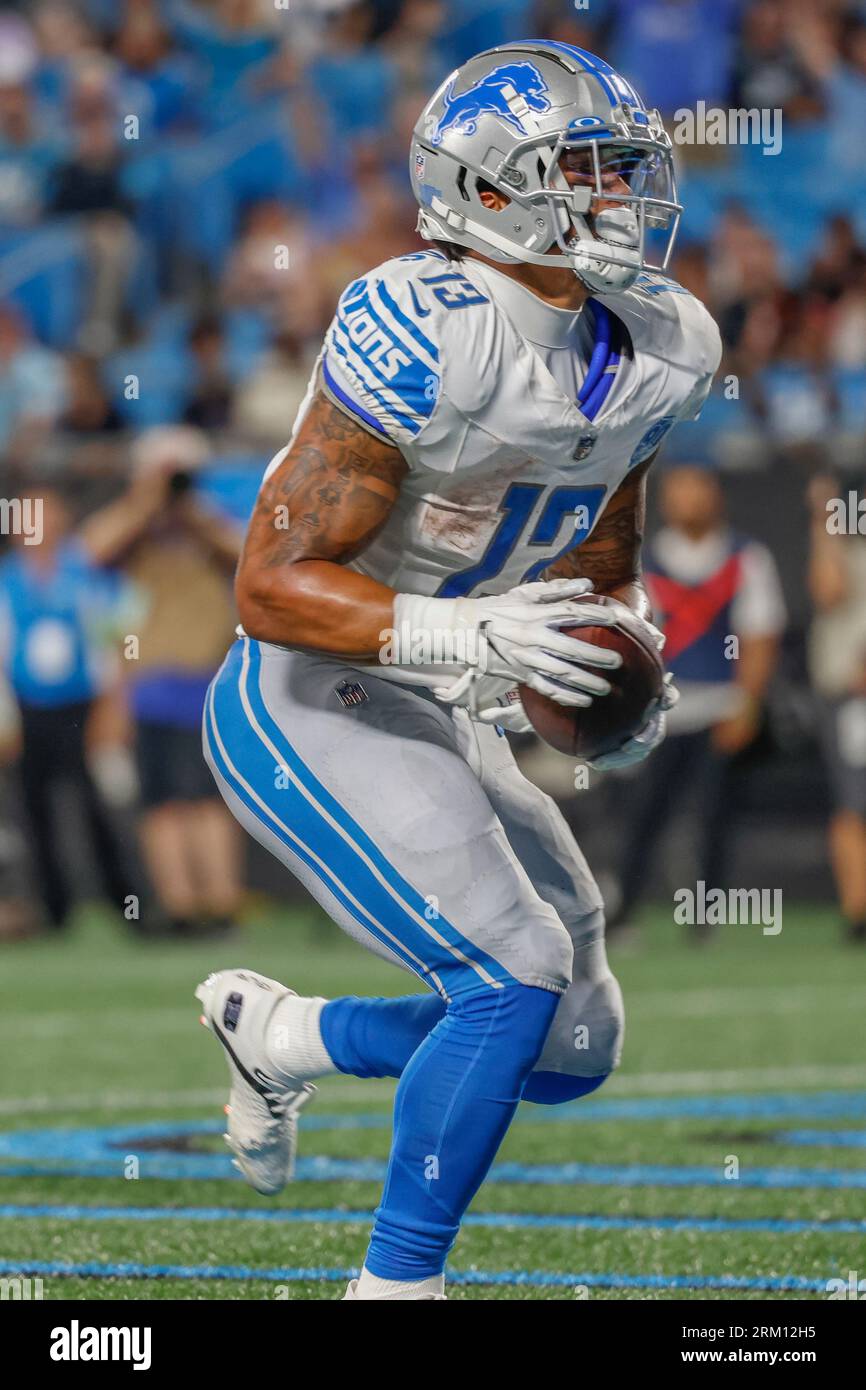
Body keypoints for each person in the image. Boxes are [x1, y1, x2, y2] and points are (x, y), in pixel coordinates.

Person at [194, 41, 721, 1300]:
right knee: (510, 973)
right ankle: (396, 1288)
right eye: (582, 170)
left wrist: (618, 651)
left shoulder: (664, 341)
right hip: (302, 690)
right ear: (483, 190)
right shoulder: (424, 324)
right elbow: (267, 587)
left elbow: (598, 537)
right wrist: (467, 634)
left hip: (433, 691)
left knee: (575, 1035)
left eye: (623, 167)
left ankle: (284, 1035)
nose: (619, 196)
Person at [608, 463, 786, 934]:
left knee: (713, 817)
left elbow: (759, 636)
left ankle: (705, 917)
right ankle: (624, 908)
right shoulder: (644, 559)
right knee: (644, 814)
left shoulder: (746, 557)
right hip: (660, 712)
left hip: (720, 707)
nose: (689, 500)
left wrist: (747, 704)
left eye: (698, 489)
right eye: (679, 490)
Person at [81, 426, 243, 937]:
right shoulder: (137, 530)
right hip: (151, 679)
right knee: (162, 802)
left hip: (206, 676)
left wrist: (191, 509)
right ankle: (178, 909)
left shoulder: (209, 524)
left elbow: (246, 554)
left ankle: (220, 907)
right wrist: (146, 501)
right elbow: (91, 550)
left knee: (207, 800)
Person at [0, 488, 138, 929]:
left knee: (96, 806)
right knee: (33, 810)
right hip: (26, 708)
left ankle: (130, 906)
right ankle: (52, 910)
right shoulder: (7, 577)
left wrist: (113, 705)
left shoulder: (85, 571)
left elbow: (115, 640)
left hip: (83, 705)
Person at [808, 473, 866, 943]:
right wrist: (822, 518)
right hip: (851, 696)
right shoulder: (844, 549)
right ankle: (857, 912)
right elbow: (828, 592)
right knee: (853, 802)